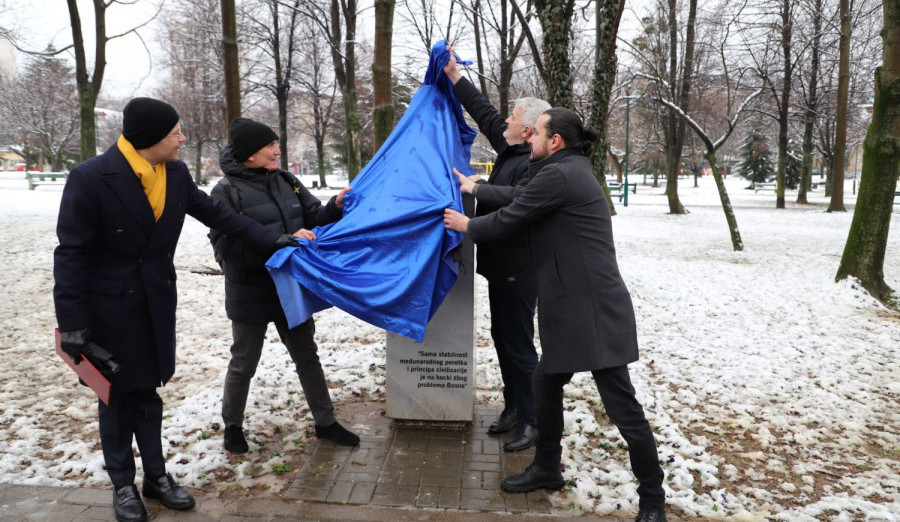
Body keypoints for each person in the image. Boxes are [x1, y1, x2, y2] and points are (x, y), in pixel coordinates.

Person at [53, 97, 299, 522]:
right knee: (115, 398)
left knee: (148, 391)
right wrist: (71, 323)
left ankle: (156, 476)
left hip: (156, 304)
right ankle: (123, 484)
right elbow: (71, 253)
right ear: (151, 138)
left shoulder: (175, 173)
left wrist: (272, 239)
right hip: (110, 310)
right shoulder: (91, 178)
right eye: (176, 133)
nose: (183, 138)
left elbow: (219, 215)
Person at [443, 108, 667, 522]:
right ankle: (548, 468)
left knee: (624, 410)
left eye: (536, 134)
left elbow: (512, 217)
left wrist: (465, 224)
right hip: (572, 308)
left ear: (556, 141)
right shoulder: (563, 171)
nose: (528, 139)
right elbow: (518, 197)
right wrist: (476, 186)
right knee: (544, 385)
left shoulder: (561, 174)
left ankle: (653, 501)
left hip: (595, 312)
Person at [209, 118, 358, 454]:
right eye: (270, 146)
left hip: (290, 287)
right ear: (249, 154)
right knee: (244, 361)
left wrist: (334, 206)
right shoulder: (225, 192)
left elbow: (313, 217)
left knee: (307, 354)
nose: (278, 151)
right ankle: (232, 426)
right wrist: (282, 242)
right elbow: (226, 249)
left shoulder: (286, 181)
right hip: (250, 291)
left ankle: (326, 422)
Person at [443, 46, 550, 452]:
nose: (504, 121)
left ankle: (532, 420)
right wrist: (455, 78)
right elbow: (485, 112)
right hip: (502, 269)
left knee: (519, 346)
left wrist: (477, 187)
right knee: (503, 339)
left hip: (520, 272)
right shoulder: (513, 149)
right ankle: (513, 407)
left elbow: (518, 199)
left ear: (527, 130)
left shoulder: (535, 165)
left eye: (514, 119)